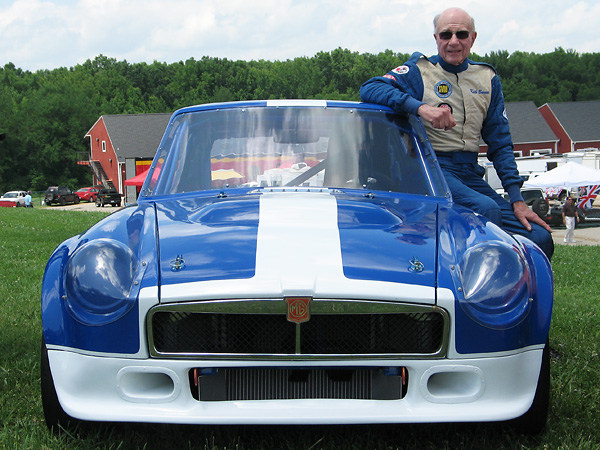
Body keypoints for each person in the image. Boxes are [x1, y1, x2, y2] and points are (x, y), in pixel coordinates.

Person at [360, 7, 554, 259]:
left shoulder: (487, 78)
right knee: (485, 209)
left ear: (473, 38)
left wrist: (517, 199)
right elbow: (370, 88)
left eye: (461, 34)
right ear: (436, 38)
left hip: (470, 172)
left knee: (539, 236)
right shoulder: (419, 71)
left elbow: (501, 143)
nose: (453, 41)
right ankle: (477, 290)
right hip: (429, 170)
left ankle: (522, 293)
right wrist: (421, 108)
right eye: (446, 35)